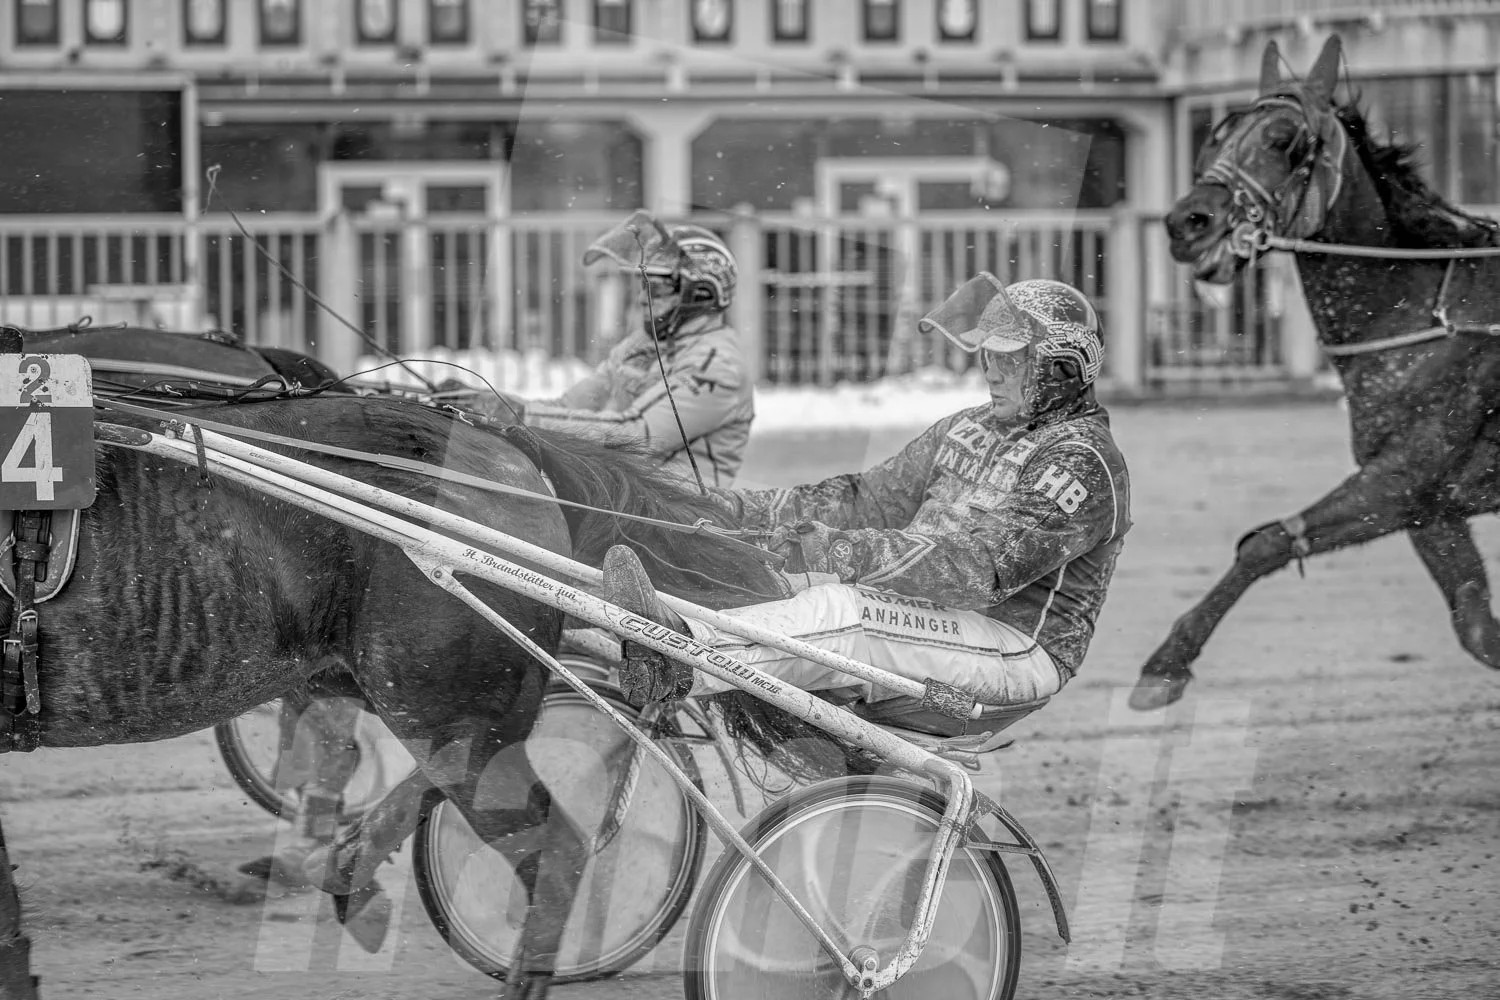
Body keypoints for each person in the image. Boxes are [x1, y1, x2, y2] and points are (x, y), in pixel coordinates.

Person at [601, 275, 1132, 720]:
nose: (990, 370)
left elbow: (981, 567)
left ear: (1062, 368)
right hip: (939, 620)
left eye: (1011, 360)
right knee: (784, 589)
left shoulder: (1083, 460)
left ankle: (679, 658)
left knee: (844, 613)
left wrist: (831, 553)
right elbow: (863, 500)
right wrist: (729, 509)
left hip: (1017, 647)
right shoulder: (966, 428)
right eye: (987, 355)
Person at [490, 209, 754, 489]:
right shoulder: (642, 344)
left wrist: (517, 414)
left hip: (678, 516)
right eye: (643, 285)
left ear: (700, 293)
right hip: (622, 499)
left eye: (657, 289)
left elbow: (634, 434)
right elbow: (566, 407)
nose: (642, 298)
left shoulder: (718, 365)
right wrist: (490, 404)